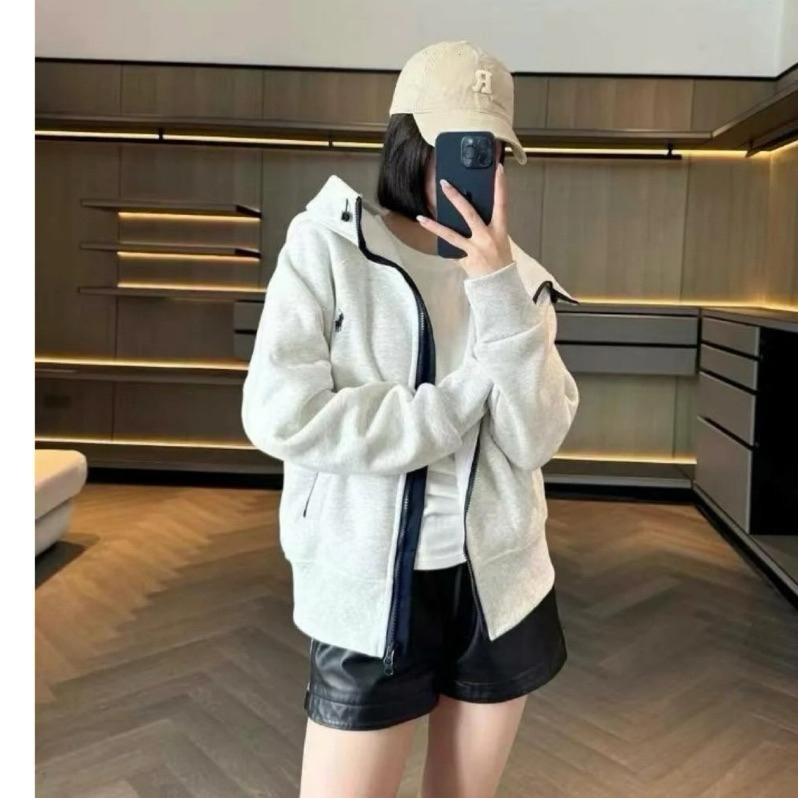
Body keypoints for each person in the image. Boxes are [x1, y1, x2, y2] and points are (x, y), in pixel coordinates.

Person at [241, 39, 580, 798]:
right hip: (368, 591)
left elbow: (534, 438)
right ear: (410, 142)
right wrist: (450, 409)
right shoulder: (327, 248)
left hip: (498, 591)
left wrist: (498, 291)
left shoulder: (520, 281)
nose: (476, 168)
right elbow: (281, 413)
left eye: (492, 152)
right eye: (458, 146)